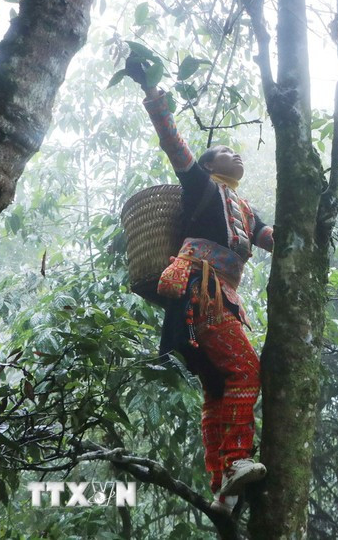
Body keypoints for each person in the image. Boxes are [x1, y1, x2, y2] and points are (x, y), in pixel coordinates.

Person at [126, 55, 274, 515]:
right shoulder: (202, 188)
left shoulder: (247, 211)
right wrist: (154, 96)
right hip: (200, 293)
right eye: (226, 151)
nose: (236, 153)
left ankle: (222, 486)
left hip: (223, 300)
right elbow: (175, 146)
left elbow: (276, 241)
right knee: (248, 369)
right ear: (210, 165)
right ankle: (233, 462)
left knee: (218, 384)